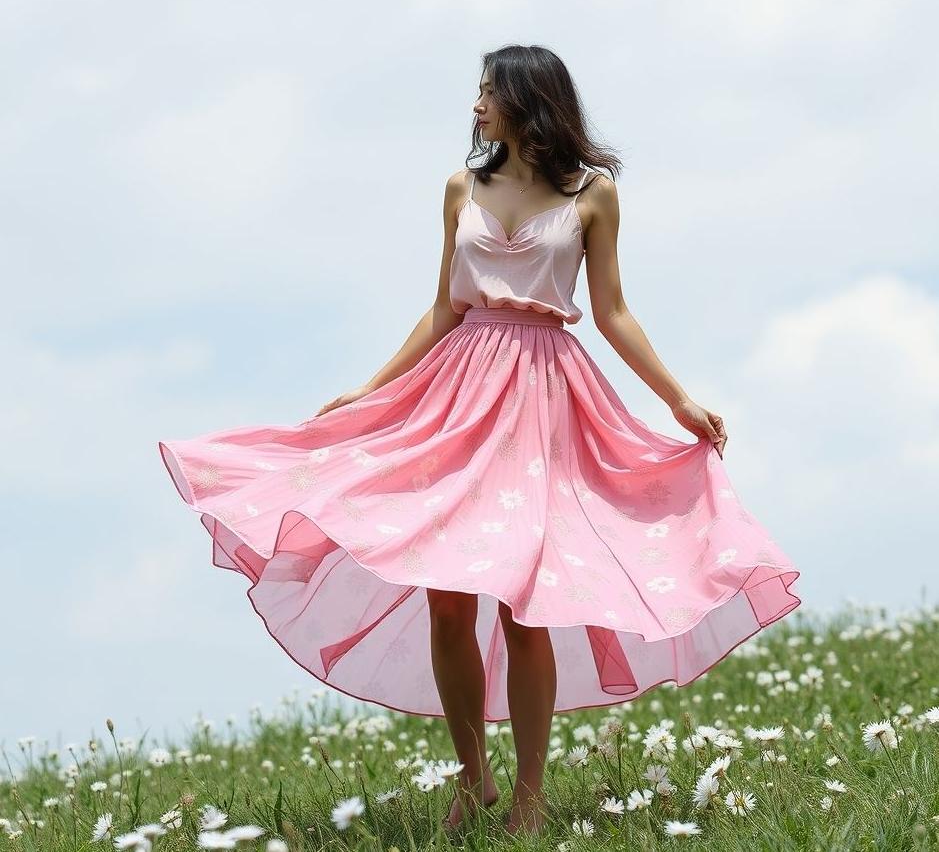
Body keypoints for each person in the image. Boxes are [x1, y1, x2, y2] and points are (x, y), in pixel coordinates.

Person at [158, 44, 801, 838]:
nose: (474, 105)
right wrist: (370, 386)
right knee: (445, 598)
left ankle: (529, 792)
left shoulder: (592, 194)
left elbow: (612, 312)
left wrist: (677, 399)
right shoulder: (460, 185)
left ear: (528, 100)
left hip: (544, 399)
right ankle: (475, 773)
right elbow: (443, 307)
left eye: (487, 92)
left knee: (527, 605)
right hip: (457, 397)